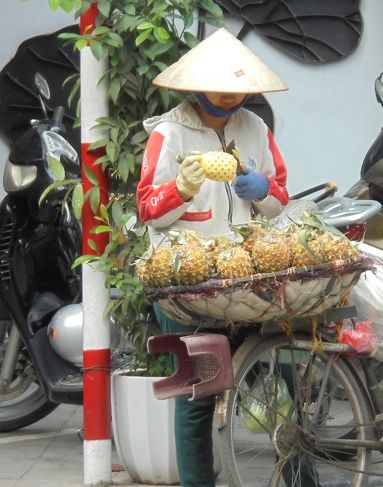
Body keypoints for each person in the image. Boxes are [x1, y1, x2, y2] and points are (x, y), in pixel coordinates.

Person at [136, 28, 289, 487]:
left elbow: (280, 194)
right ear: (197, 85)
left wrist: (262, 191)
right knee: (198, 396)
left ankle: (303, 475)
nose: (230, 95)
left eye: (238, 86)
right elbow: (147, 208)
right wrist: (181, 190)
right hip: (187, 281)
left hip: (244, 275)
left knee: (289, 370)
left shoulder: (255, 129)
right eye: (221, 85)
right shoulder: (170, 133)